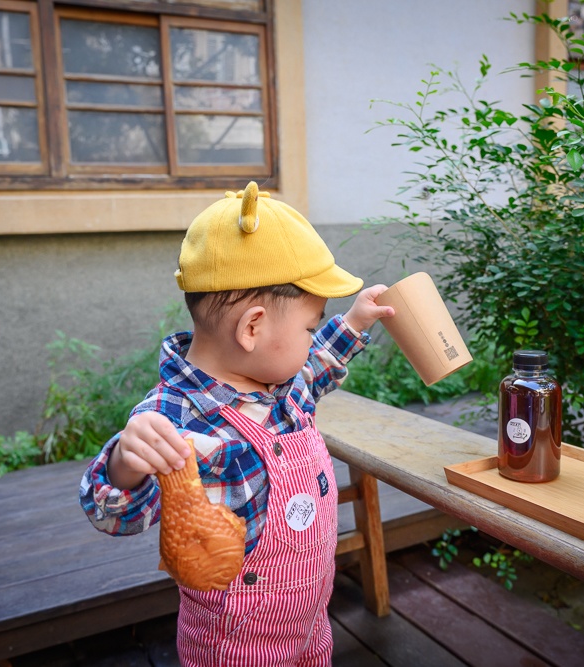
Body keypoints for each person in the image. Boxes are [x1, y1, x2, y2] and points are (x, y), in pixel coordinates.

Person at [79, 182, 394, 666]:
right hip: (234, 645)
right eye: (310, 328)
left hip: (308, 623)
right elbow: (117, 516)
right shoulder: (171, 420)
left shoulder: (280, 384)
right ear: (253, 328)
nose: (312, 343)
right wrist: (125, 463)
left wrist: (354, 321)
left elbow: (317, 364)